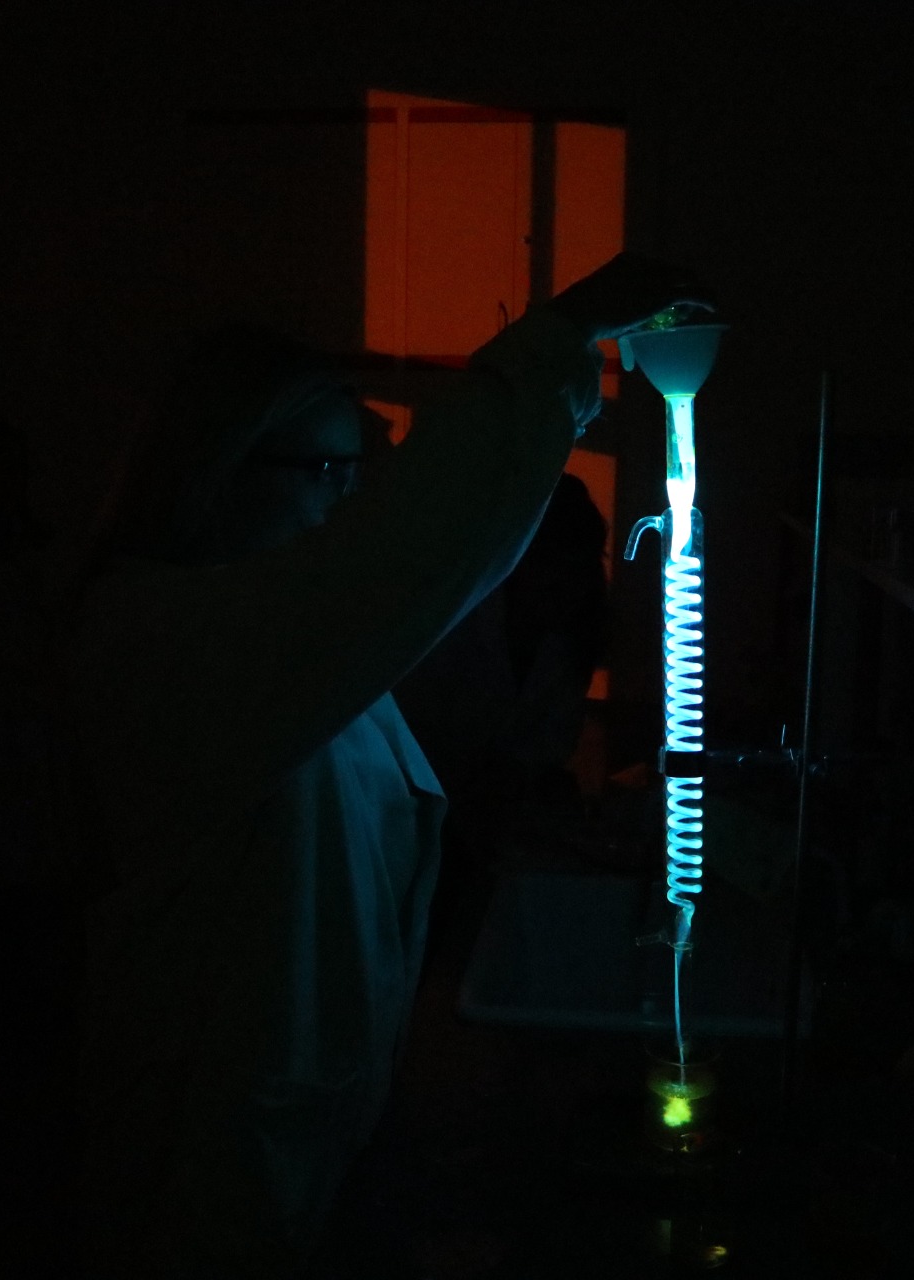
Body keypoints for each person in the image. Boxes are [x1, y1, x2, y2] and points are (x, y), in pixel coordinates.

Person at [65, 253, 711, 1276]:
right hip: (207, 1152)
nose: (347, 505)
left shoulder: (275, 653)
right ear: (220, 469)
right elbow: (407, 551)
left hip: (290, 1124)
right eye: (330, 473)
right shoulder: (162, 642)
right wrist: (566, 335)